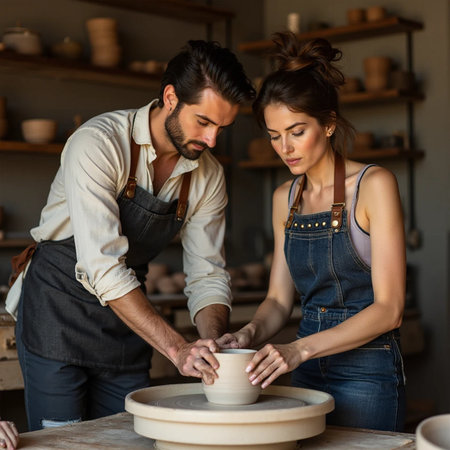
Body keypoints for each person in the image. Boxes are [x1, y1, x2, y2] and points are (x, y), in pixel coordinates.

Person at [10, 40, 255, 431]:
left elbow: (207, 273)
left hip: (126, 324)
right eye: (203, 122)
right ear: (171, 97)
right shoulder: (99, 143)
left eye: (222, 128)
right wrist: (178, 349)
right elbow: (103, 266)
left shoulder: (207, 175)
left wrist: (211, 343)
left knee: (129, 437)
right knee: (63, 439)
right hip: (57, 309)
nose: (212, 141)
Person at [217, 32, 406, 432]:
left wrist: (297, 349)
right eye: (274, 136)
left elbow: (389, 310)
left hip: (367, 372)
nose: (285, 147)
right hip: (305, 374)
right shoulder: (284, 198)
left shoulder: (374, 185)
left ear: (329, 124)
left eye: (297, 131)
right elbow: (278, 300)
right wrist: (248, 333)